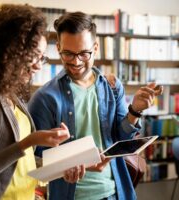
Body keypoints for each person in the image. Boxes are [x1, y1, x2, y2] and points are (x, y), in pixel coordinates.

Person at [28, 11, 163, 200]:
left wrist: (135, 110)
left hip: (115, 192)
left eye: (84, 53)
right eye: (68, 53)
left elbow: (121, 138)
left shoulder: (113, 87)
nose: (76, 62)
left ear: (96, 48)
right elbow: (34, 160)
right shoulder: (44, 98)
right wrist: (67, 164)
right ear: (58, 48)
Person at [0, 5, 85, 200]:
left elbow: (22, 163)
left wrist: (61, 168)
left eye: (41, 57)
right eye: (32, 56)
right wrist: (29, 141)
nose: (38, 65)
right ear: (7, 51)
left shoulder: (11, 94)